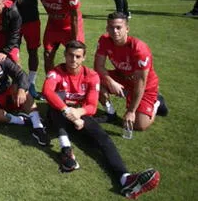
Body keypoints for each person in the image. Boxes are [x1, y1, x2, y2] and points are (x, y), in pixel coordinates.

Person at [42, 40, 160, 199]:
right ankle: (66, 150)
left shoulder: (91, 76)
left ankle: (125, 178)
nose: (73, 60)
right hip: (58, 116)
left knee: (102, 138)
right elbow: (47, 92)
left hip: (80, 117)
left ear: (84, 57)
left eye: (78, 56)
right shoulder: (56, 72)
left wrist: (79, 112)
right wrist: (67, 110)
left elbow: (91, 106)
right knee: (57, 103)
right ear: (65, 55)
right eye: (70, 55)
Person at [94, 12, 167, 131]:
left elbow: (140, 82)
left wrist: (131, 111)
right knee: (93, 79)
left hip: (145, 86)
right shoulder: (104, 40)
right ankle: (110, 113)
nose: (115, 31)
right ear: (107, 28)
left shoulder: (139, 49)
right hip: (122, 77)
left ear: (127, 29)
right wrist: (112, 82)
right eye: (111, 27)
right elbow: (98, 66)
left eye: (118, 27)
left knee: (139, 125)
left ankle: (157, 102)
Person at [34, 0, 84, 72]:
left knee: (74, 57)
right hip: (53, 25)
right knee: (47, 54)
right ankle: (50, 82)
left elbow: (74, 18)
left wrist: (75, 39)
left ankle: (75, 86)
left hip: (70, 26)